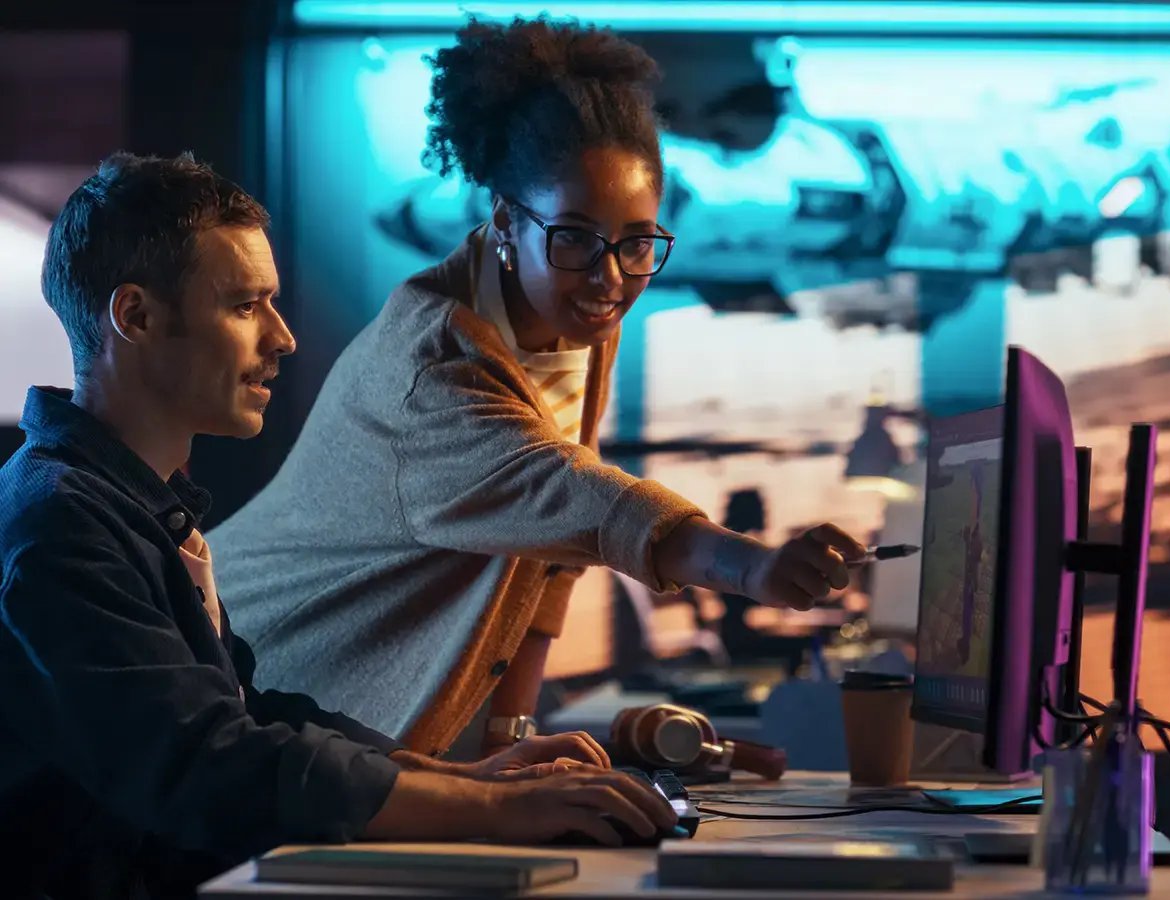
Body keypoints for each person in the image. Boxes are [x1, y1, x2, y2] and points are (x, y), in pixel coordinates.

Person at [0, 152, 676, 898]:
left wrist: (462, 779)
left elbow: (249, 713)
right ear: (136, 316)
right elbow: (207, 761)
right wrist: (492, 807)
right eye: (245, 306)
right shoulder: (59, 524)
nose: (283, 338)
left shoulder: (129, 505)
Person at [211, 16, 865, 758]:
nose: (610, 277)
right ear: (505, 223)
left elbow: (544, 561)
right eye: (575, 237)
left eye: (637, 242)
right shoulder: (431, 365)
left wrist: (513, 749)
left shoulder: (579, 325)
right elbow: (570, 497)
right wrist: (754, 568)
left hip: (341, 729)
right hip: (252, 676)